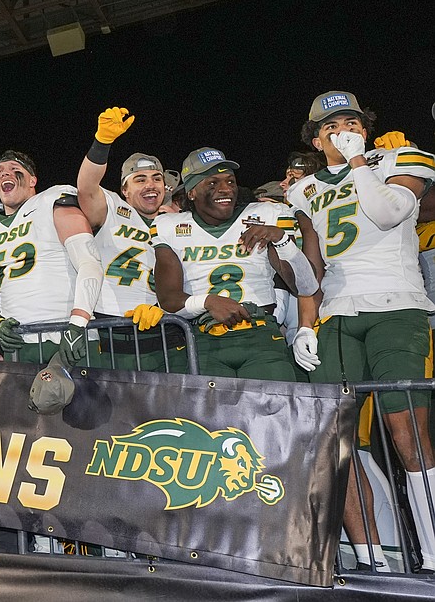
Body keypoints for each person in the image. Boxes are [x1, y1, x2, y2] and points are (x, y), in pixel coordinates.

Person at [287, 91, 435, 572]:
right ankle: (373, 558)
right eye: (331, 126)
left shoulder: (402, 156)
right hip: (337, 314)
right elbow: (313, 268)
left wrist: (359, 162)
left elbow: (388, 212)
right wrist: (305, 325)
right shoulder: (303, 190)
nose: (343, 128)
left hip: (396, 304)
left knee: (407, 429)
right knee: (335, 440)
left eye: (351, 120)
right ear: (315, 138)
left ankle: (433, 552)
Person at [152, 148, 317, 382]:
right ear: (191, 192)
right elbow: (168, 299)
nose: (226, 189)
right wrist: (208, 302)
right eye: (212, 183)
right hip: (203, 339)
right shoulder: (170, 226)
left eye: (230, 181)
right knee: (209, 417)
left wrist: (281, 240)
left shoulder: (267, 214)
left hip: (260, 334)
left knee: (273, 413)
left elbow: (306, 286)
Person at [0, 150, 102, 367]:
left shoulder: (52, 201)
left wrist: (78, 323)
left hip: (68, 333)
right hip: (20, 342)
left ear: (32, 180)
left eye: (14, 169)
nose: (4, 175)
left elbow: (90, 263)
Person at [75, 107, 185, 373]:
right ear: (124, 189)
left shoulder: (175, 223)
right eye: (140, 179)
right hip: (113, 329)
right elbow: (86, 187)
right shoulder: (111, 208)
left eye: (156, 179)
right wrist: (102, 142)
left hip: (167, 329)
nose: (151, 185)